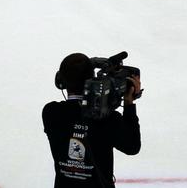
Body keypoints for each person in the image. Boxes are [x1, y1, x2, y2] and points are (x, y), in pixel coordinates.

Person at [43, 53, 142, 187]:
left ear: (60, 81)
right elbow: (132, 147)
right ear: (92, 81)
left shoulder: (51, 113)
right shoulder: (108, 118)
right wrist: (129, 102)